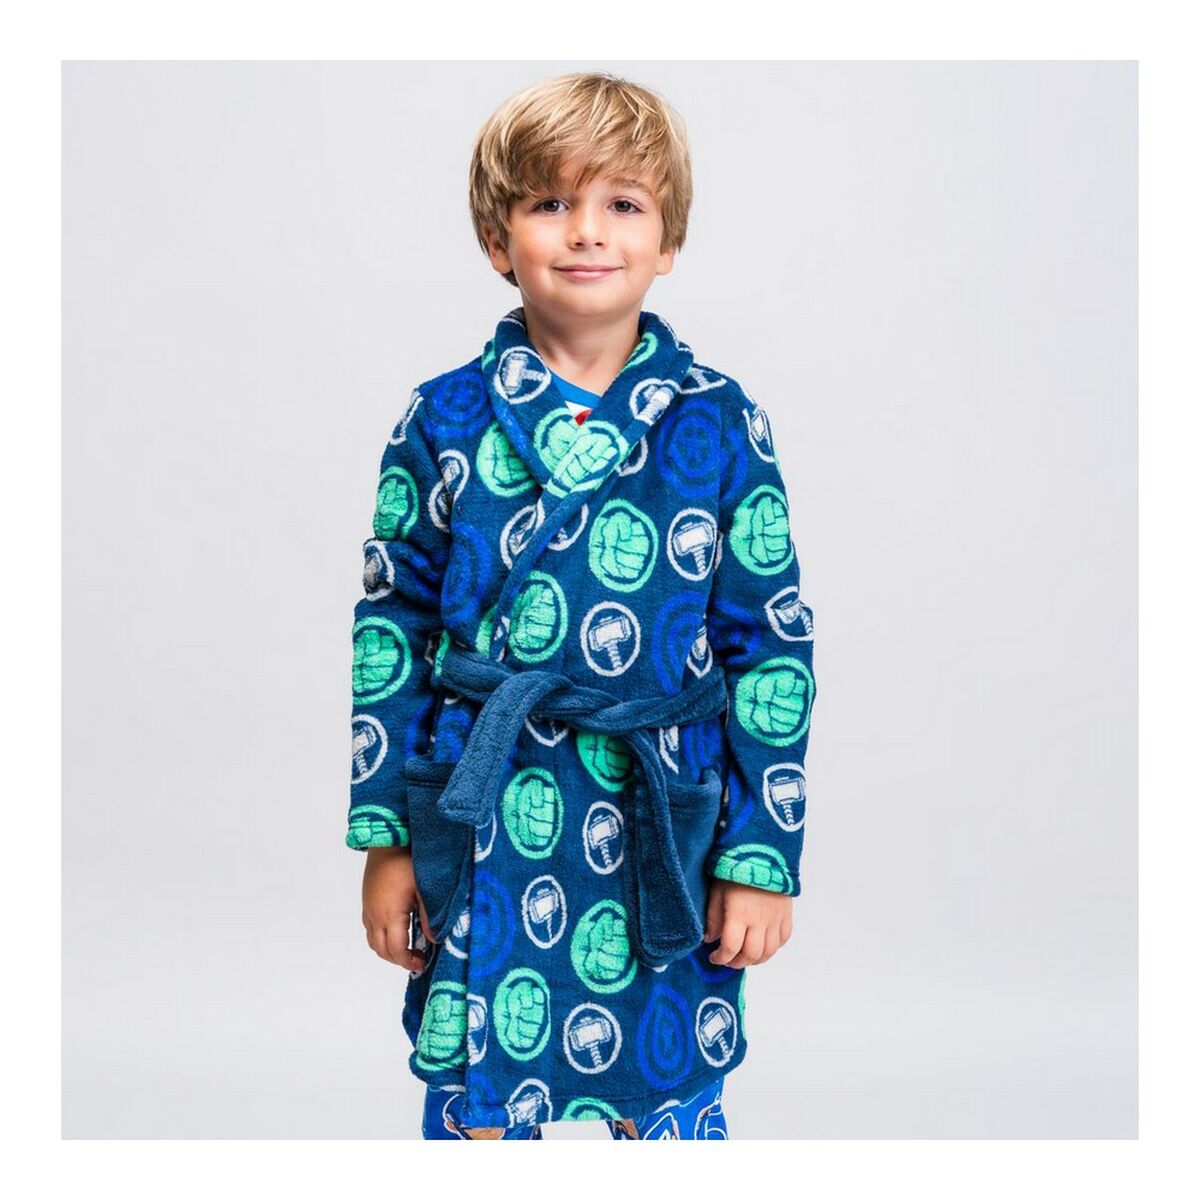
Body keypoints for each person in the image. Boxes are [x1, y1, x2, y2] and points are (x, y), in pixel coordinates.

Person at [346, 71, 816, 1140]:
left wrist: (759, 856)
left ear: (668, 238)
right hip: (489, 799)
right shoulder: (443, 417)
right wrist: (388, 841)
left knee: (664, 1074)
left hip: (653, 799)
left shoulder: (719, 421)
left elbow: (772, 647)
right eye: (550, 203)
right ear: (496, 237)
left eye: (623, 204)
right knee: (481, 1085)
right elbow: (391, 632)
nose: (588, 231)